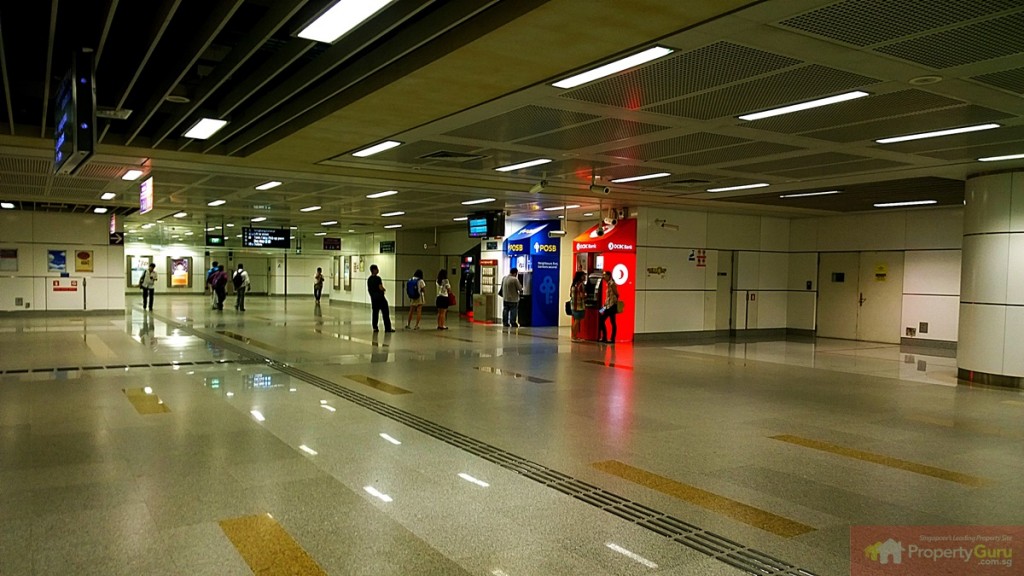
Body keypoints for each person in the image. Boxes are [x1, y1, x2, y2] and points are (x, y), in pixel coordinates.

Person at [367, 264, 395, 332]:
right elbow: (380, 287)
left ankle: (375, 327)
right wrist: (384, 289)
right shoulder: (378, 278)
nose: (378, 270)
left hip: (374, 299)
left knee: (375, 313)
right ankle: (387, 328)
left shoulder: (369, 279)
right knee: (385, 312)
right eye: (377, 269)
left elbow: (369, 289)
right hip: (381, 298)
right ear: (374, 270)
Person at [597, 270, 619, 343]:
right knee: (601, 319)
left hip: (611, 306)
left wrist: (614, 301)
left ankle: (611, 338)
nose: (603, 277)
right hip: (606, 305)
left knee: (612, 322)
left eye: (605, 275)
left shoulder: (612, 284)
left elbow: (616, 293)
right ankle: (605, 337)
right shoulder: (608, 284)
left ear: (609, 276)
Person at [570, 270, 587, 342]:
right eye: (583, 276)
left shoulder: (573, 284)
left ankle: (573, 336)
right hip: (579, 306)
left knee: (575, 322)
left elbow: (570, 295)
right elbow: (582, 296)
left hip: (573, 306)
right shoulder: (581, 285)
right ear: (580, 276)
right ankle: (574, 337)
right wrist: (586, 295)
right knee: (577, 322)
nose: (585, 277)